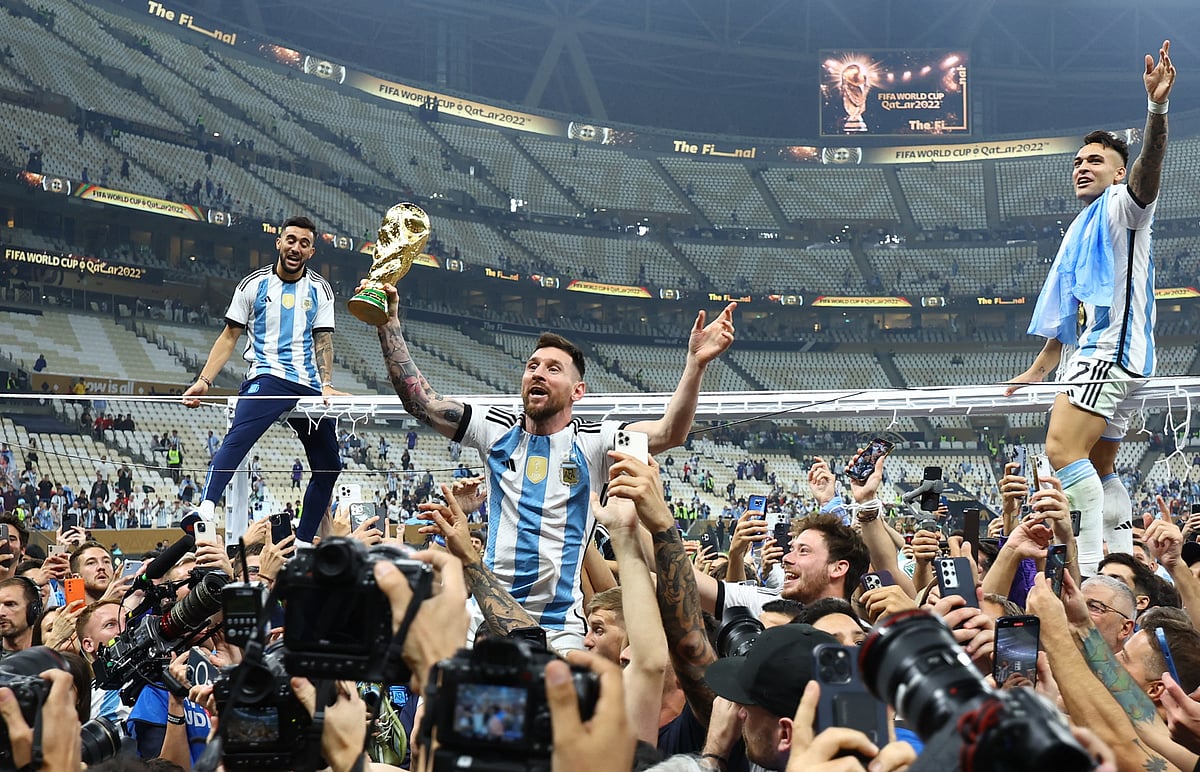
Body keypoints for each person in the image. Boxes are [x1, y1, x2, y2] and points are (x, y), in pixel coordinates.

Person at [369, 279, 735, 649]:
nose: (538, 373)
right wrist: (388, 325)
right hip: (485, 616)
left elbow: (669, 432)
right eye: (533, 366)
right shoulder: (494, 429)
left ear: (578, 391)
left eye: (553, 368)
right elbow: (421, 402)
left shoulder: (595, 441)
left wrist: (695, 364)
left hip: (558, 629)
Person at [1007, 41, 1176, 575]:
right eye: (1078, 161)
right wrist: (1038, 369)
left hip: (1110, 353)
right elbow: (1068, 312)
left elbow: (1148, 170)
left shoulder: (1124, 206)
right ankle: (1122, 557)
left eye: (1095, 160)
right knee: (1098, 467)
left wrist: (1156, 109)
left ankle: (1089, 566)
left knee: (1060, 450)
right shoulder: (1081, 230)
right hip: (1114, 357)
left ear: (1117, 171)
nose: (1082, 167)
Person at [181, 216, 347, 545]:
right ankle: (206, 507)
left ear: (311, 251)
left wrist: (326, 383)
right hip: (268, 376)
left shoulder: (320, 289)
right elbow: (229, 336)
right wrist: (204, 380)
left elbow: (323, 340)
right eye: (291, 240)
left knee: (329, 465)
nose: (295, 247)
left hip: (308, 384)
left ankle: (302, 542)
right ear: (278, 243)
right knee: (238, 437)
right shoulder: (252, 285)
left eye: (303, 243)